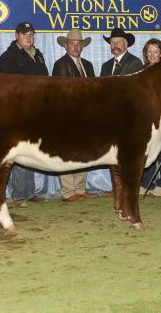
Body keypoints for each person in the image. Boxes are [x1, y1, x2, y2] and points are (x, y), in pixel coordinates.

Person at [0, 22, 49, 207]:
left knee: (32, 151)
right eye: (25, 34)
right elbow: (4, 87)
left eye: (31, 34)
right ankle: (19, 194)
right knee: (19, 152)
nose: (29, 37)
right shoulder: (8, 57)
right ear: (16, 35)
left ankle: (29, 192)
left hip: (36, 111)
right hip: (17, 111)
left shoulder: (38, 55)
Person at [52, 29, 98, 202]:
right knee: (68, 152)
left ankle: (80, 187)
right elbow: (60, 94)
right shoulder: (61, 64)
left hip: (86, 116)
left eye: (79, 44)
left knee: (83, 153)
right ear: (66, 45)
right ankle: (68, 191)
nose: (76, 47)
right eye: (72, 44)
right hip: (69, 116)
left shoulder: (88, 65)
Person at [139, 38, 161, 197]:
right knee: (149, 150)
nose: (152, 55)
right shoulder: (142, 71)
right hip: (147, 119)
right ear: (146, 54)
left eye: (155, 52)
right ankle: (147, 183)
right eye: (149, 52)